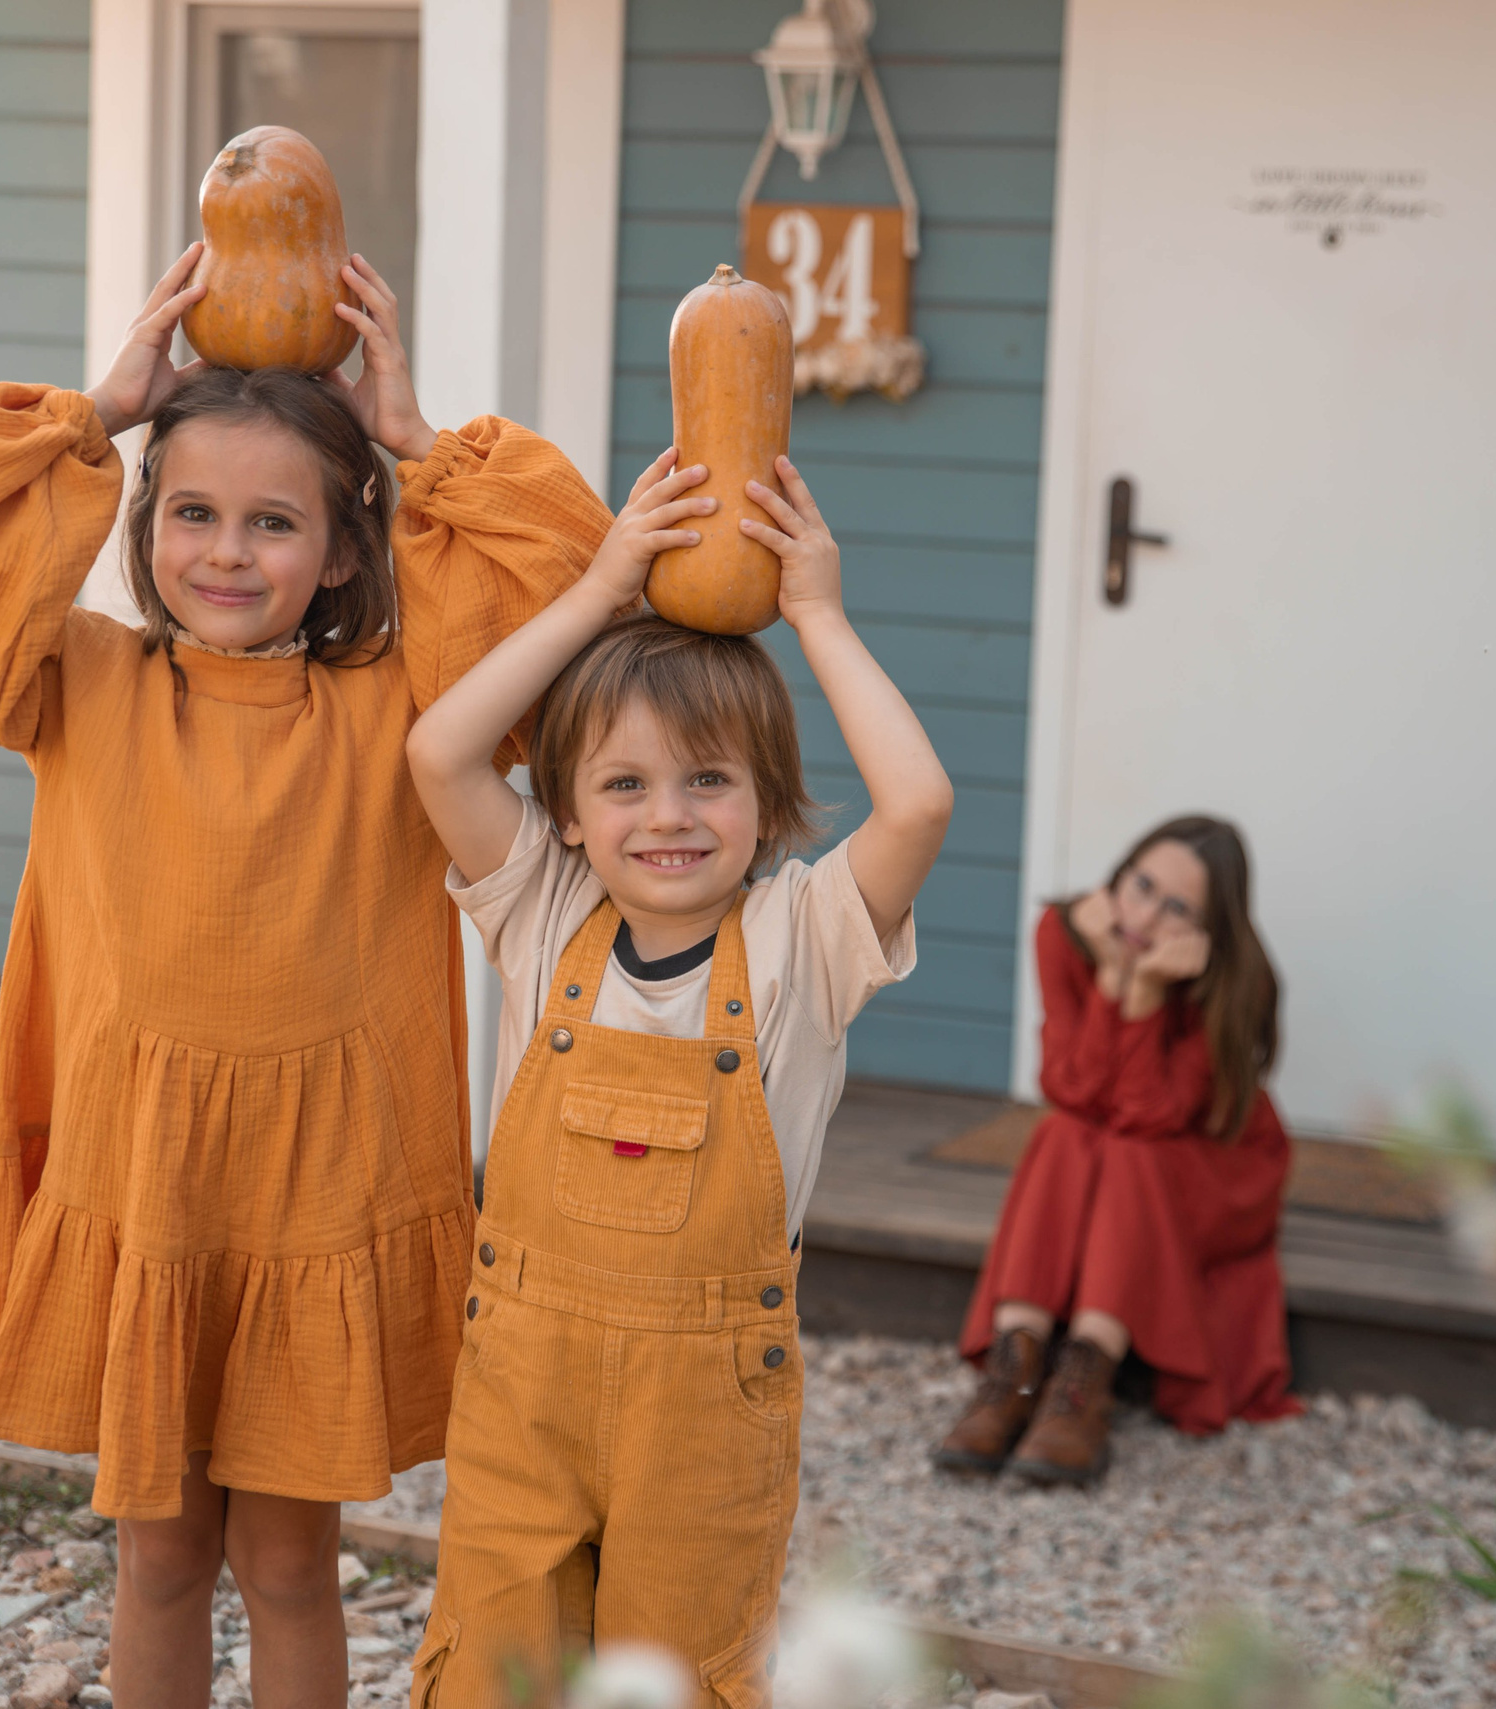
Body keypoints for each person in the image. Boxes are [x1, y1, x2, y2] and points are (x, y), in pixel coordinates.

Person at [0, 245, 613, 1709]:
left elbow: (566, 574)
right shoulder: (76, 680)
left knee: (286, 1566)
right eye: (191, 511)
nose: (224, 550)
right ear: (145, 520)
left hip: (316, 1195)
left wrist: (415, 435)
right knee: (157, 1560)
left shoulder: (410, 702)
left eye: (274, 521)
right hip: (147, 1189)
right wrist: (94, 410)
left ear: (341, 547)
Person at [400, 450, 953, 1704]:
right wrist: (602, 589)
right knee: (494, 1667)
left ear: (766, 801)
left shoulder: (802, 939)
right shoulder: (544, 912)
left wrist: (815, 611)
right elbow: (442, 754)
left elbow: (916, 803)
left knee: (680, 1672)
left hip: (701, 1413)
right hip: (522, 1394)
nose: (669, 815)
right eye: (625, 784)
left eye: (710, 778)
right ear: (571, 811)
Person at [935, 815, 1301, 1487]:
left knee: (1124, 1147)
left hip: (1216, 1164)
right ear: (1119, 873)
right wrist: (1110, 974)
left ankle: (1081, 1388)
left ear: (1208, 927)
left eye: (1177, 908)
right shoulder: (1065, 932)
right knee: (1063, 1132)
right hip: (1120, 1141)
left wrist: (1145, 991)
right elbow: (1072, 1089)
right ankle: (1015, 1374)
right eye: (1141, 885)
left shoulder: (1232, 978)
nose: (1145, 916)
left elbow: (1148, 1112)